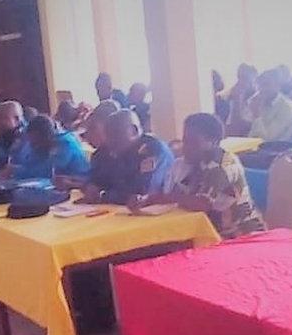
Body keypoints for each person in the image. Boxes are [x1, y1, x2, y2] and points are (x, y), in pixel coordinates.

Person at [132, 113, 265, 239]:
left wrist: (163, 198)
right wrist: (146, 199)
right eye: (185, 141)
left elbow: (201, 203)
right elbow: (177, 195)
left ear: (214, 142)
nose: (186, 147)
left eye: (193, 142)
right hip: (207, 233)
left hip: (240, 235)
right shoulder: (190, 163)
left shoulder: (221, 166)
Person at [83, 110, 173, 205]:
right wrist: (91, 186)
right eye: (107, 135)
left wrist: (104, 195)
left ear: (134, 131)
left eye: (115, 134)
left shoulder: (153, 150)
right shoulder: (109, 151)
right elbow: (97, 179)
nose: (109, 141)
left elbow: (141, 192)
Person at [10, 115, 90, 179]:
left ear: (45, 136)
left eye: (35, 141)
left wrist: (18, 171)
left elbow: (49, 170)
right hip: (54, 184)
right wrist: (14, 168)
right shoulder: (40, 144)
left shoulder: (65, 143)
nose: (32, 145)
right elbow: (31, 163)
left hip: (77, 185)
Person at [247, 69, 292, 142]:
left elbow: (266, 139)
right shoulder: (258, 100)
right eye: (259, 85)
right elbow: (244, 128)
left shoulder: (287, 108)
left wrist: (256, 114)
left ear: (278, 85)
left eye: (266, 84)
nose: (261, 89)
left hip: (274, 147)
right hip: (249, 145)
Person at [223, 63, 258, 136]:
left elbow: (241, 126)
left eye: (245, 78)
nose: (241, 82)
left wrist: (237, 100)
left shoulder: (257, 99)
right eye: (240, 77)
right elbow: (229, 126)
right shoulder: (230, 96)